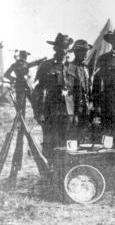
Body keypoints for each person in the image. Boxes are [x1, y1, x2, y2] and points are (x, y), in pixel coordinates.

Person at [34, 33, 75, 162]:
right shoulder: (45, 66)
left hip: (68, 111)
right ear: (55, 48)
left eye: (66, 47)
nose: (63, 49)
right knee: (50, 142)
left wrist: (77, 112)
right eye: (61, 46)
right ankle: (49, 172)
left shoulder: (73, 67)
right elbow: (38, 90)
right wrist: (39, 112)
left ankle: (64, 169)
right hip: (50, 111)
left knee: (67, 141)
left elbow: (78, 91)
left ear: (69, 49)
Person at [69, 39, 93, 141]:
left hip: (86, 107)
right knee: (74, 135)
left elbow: (88, 87)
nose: (85, 54)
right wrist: (74, 112)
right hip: (75, 107)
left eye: (86, 51)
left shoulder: (86, 68)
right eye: (82, 51)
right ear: (75, 52)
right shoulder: (70, 67)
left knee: (84, 134)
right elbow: (70, 92)